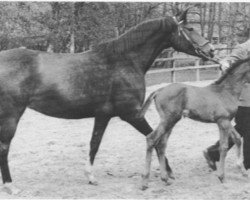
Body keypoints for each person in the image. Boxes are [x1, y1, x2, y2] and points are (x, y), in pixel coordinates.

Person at [203, 34, 250, 171]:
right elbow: (229, 61)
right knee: (247, 128)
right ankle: (248, 165)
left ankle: (213, 153)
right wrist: (226, 63)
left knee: (241, 128)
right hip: (243, 98)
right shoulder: (243, 48)